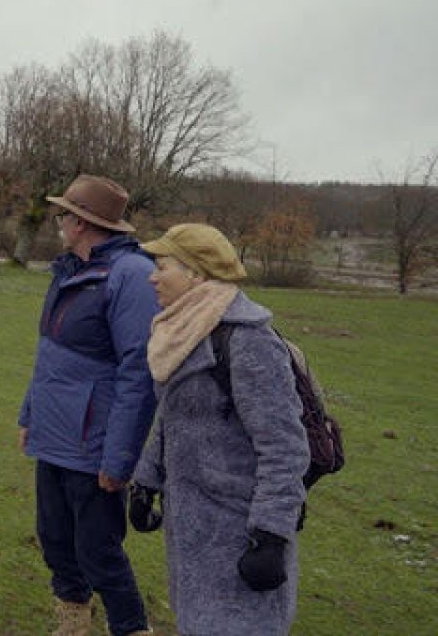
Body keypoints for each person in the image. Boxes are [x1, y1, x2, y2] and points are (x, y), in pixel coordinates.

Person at [129, 223, 310, 636]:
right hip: (192, 525)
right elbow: (174, 416)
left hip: (237, 531)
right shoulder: (184, 330)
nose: (152, 277)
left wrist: (271, 535)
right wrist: (145, 482)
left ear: (196, 273)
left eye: (162, 267)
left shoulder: (248, 341)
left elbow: (284, 446)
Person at [17, 175, 159, 636]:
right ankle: (74, 621)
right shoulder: (70, 270)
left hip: (91, 445)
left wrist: (118, 458)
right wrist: (30, 415)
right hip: (54, 436)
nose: (58, 222)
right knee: (56, 540)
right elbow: (50, 354)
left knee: (99, 551)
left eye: (63, 215)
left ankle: (131, 627)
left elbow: (139, 374)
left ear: (79, 223)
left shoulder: (130, 276)